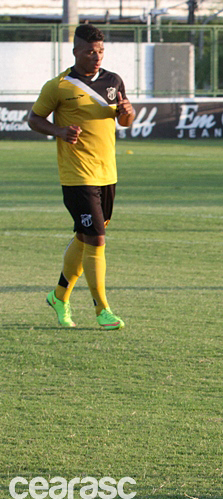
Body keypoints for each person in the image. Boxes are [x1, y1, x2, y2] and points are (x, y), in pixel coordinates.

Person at [28, 23, 135, 330]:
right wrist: (59, 131)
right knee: (97, 238)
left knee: (84, 235)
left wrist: (128, 112)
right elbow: (35, 119)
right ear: (76, 52)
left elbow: (125, 120)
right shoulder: (59, 86)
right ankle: (103, 310)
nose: (96, 56)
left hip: (107, 172)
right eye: (90, 51)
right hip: (77, 174)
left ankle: (59, 296)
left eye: (100, 51)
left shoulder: (113, 81)